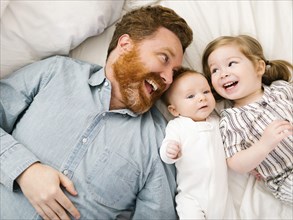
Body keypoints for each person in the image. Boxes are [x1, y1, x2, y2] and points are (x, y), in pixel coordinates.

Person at [0, 5, 193, 219]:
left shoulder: (160, 142)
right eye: (164, 58)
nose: (168, 79)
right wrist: (25, 170)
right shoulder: (55, 73)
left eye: (174, 72)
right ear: (126, 44)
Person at [202, 34, 293, 206]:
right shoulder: (231, 120)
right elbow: (235, 163)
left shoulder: (280, 89)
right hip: (286, 178)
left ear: (259, 67)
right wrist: (263, 145)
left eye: (231, 63)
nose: (223, 73)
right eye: (215, 70)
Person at [159, 68, 236, 219]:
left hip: (222, 198)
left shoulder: (218, 122)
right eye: (191, 96)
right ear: (174, 110)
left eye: (206, 92)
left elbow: (233, 146)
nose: (202, 98)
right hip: (191, 196)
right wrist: (169, 151)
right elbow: (166, 150)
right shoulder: (178, 126)